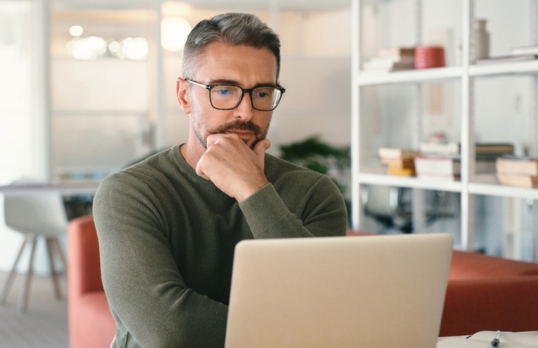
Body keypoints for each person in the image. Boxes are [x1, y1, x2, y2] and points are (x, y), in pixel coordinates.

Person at [93, 12, 347, 348]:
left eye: (262, 92)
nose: (246, 111)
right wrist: (297, 330)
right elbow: (171, 331)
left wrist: (252, 189)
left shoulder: (314, 192)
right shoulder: (130, 192)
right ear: (185, 96)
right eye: (224, 90)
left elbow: (323, 304)